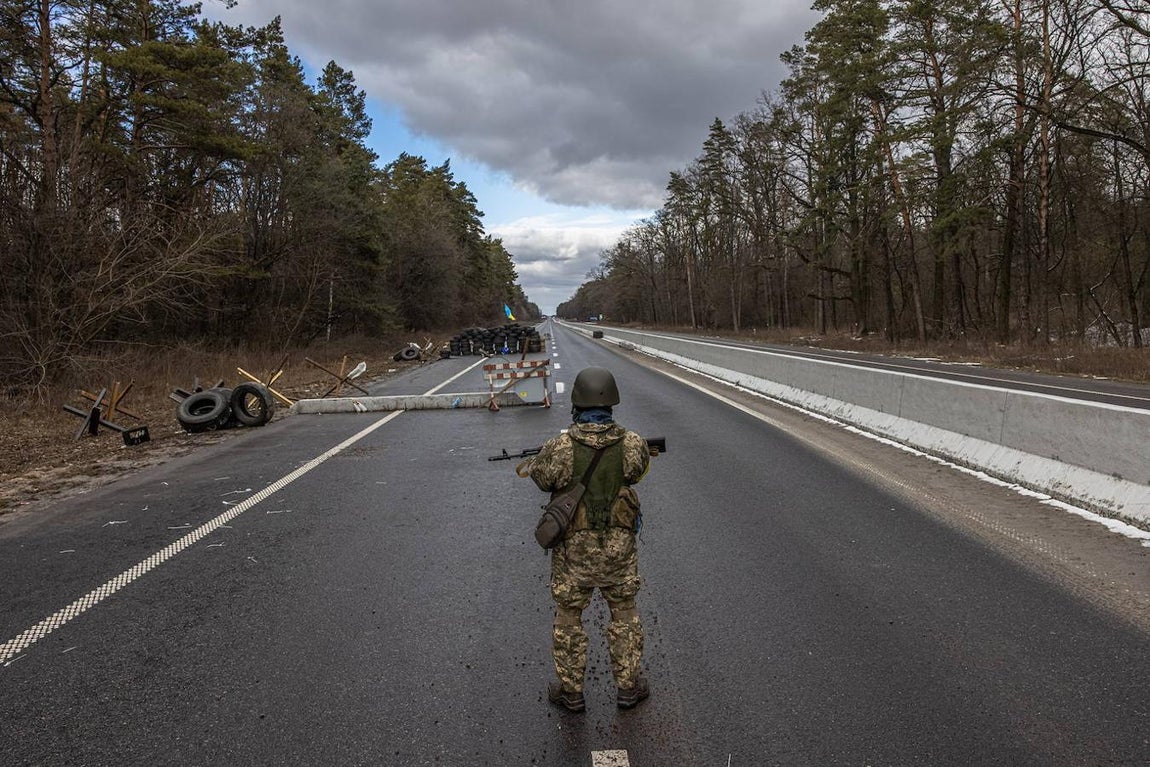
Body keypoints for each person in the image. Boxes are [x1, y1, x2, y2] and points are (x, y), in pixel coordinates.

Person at [527, 367, 653, 711]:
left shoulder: (560, 446)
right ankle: (628, 687)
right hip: (618, 551)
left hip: (574, 553)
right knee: (624, 613)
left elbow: (541, 477)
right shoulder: (632, 443)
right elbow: (638, 472)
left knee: (569, 616)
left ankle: (571, 693)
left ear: (577, 401)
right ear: (611, 400)